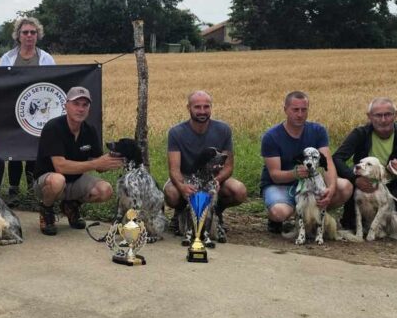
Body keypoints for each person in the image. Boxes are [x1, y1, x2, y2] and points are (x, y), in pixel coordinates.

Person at [260, 91, 353, 233]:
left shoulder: (318, 131)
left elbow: (327, 163)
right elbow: (275, 175)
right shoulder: (271, 136)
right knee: (279, 212)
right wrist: (295, 174)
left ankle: (313, 217)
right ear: (285, 109)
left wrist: (331, 189)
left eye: (304, 110)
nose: (300, 114)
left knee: (345, 187)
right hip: (281, 185)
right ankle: (283, 218)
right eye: (295, 110)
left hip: (311, 183)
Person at [33, 87, 122, 235]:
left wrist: (113, 160)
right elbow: (60, 166)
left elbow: (98, 163)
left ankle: (71, 206)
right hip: (48, 182)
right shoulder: (53, 128)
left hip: (75, 181)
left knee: (105, 190)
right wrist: (95, 164)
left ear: (89, 109)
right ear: (66, 105)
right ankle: (46, 209)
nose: (80, 109)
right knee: (57, 180)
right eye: (76, 104)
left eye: (84, 105)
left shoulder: (90, 130)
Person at [163, 90, 248, 242]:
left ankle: (215, 212)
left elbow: (228, 166)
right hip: (187, 177)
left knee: (239, 191)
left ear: (211, 108)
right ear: (188, 108)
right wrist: (182, 187)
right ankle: (182, 213)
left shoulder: (223, 130)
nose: (202, 111)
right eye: (197, 107)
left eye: (206, 107)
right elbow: (174, 169)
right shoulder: (176, 132)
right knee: (171, 193)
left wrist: (218, 180)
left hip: (213, 177)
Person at [0, 15, 55, 202]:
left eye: (33, 32)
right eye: (25, 32)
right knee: (15, 148)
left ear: (37, 35)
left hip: (38, 113)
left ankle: (32, 188)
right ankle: (13, 189)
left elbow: (53, 84)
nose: (29, 35)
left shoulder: (46, 58)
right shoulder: (7, 58)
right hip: (14, 110)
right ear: (18, 35)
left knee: (33, 149)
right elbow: (1, 83)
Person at [333, 97, 397, 229]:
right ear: (369, 116)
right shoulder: (360, 134)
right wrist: (355, 179)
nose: (383, 120)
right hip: (363, 185)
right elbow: (337, 158)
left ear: (395, 115)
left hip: (393, 186)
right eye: (378, 115)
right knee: (350, 225)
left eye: (388, 114)